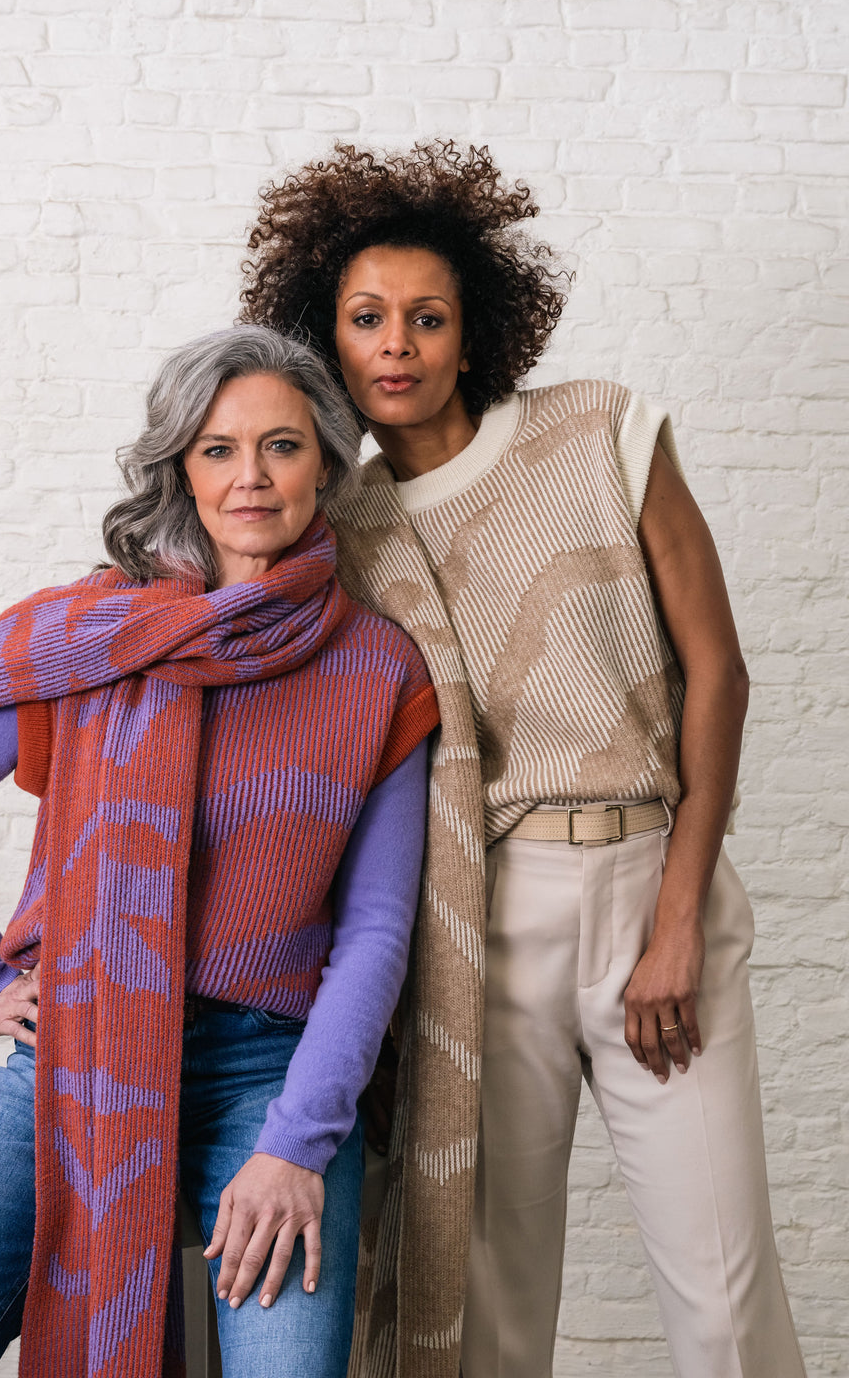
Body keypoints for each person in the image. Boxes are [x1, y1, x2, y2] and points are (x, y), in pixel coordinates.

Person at [240, 140, 807, 1378]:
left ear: (473, 330)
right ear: (326, 340)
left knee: (724, 1300)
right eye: (366, 318)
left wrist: (675, 924)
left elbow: (717, 673)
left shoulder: (598, 430)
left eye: (427, 317)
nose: (396, 345)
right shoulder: (343, 535)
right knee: (484, 1317)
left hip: (654, 880)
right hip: (476, 929)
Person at [0, 326, 440, 1378]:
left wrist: (297, 1144)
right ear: (180, 469)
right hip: (75, 1054)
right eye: (217, 449)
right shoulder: (97, 639)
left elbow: (377, 932)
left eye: (282, 446)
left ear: (326, 466)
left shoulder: (376, 666)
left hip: (268, 1078)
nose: (250, 476)